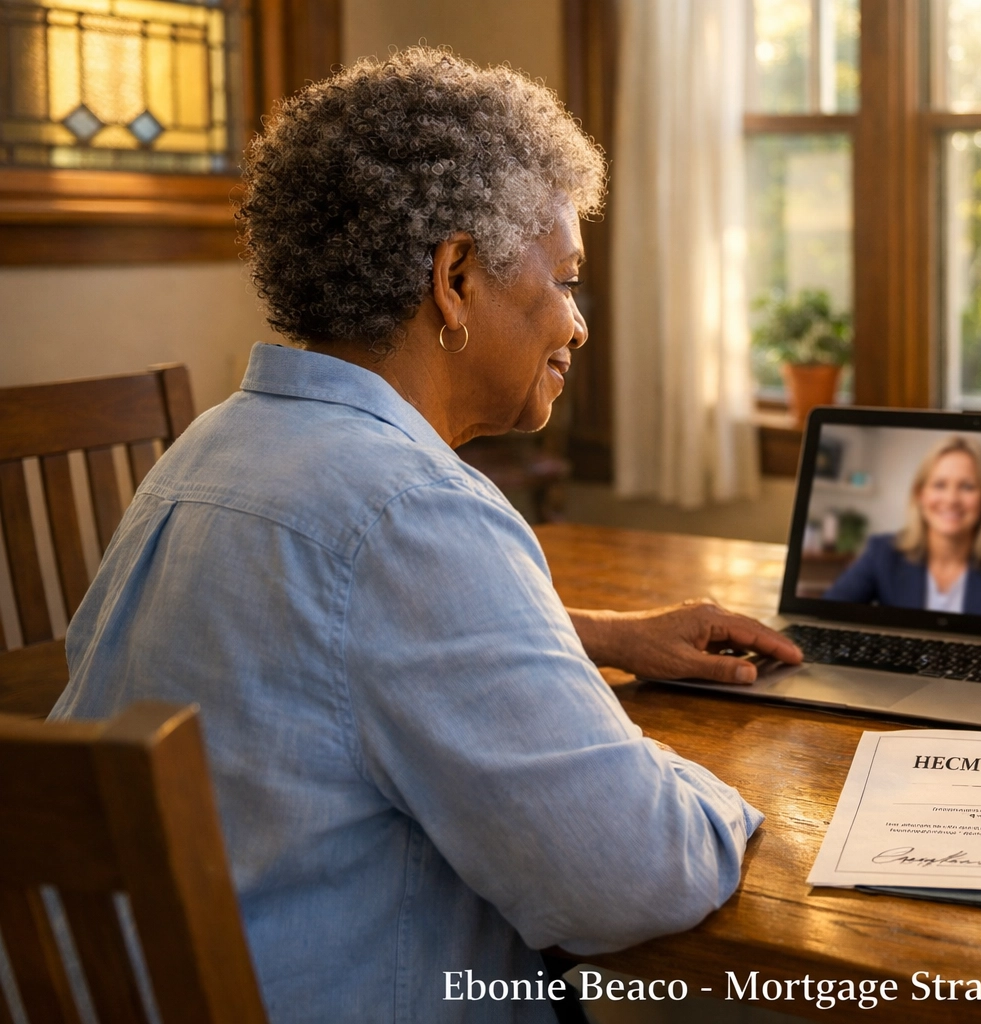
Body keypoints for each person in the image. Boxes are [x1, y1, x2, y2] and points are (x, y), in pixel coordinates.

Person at [52, 49, 800, 1022]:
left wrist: (597, 635)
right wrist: (711, 780)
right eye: (566, 280)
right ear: (454, 277)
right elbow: (637, 875)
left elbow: (317, 646)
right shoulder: (410, 510)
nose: (577, 326)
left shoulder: (208, 452)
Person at [822, 436, 981, 622]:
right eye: (939, 485)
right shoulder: (882, 553)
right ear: (920, 494)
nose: (951, 499)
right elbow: (824, 616)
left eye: (967, 486)